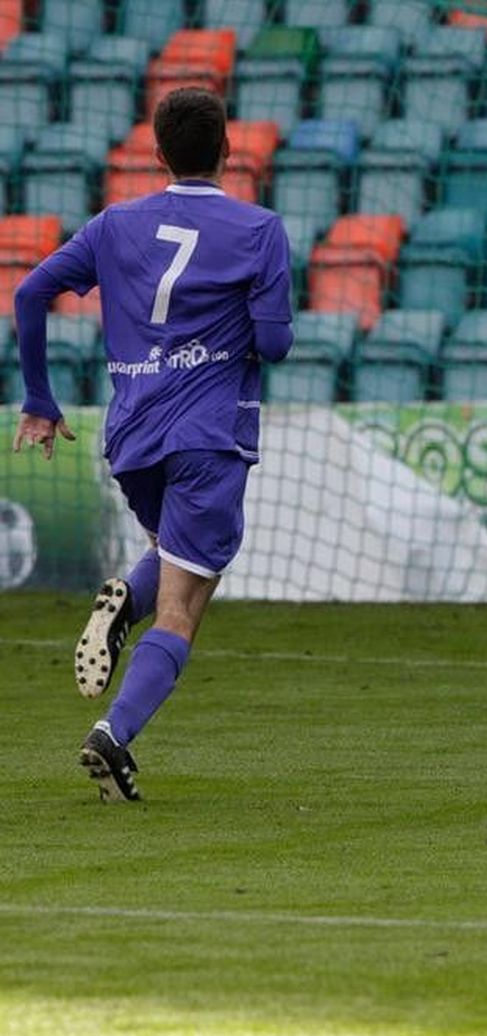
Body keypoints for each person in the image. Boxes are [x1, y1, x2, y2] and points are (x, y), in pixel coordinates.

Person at [10, 88, 295, 801]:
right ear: (229, 151)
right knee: (187, 604)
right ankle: (114, 734)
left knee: (179, 559)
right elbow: (276, 343)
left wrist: (41, 398)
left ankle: (123, 600)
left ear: (158, 155)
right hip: (209, 434)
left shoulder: (113, 225)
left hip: (132, 434)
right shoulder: (259, 230)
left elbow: (28, 293)